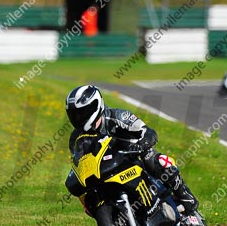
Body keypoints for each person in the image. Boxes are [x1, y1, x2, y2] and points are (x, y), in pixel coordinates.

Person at [64, 84, 198, 216]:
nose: (78, 118)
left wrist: (141, 145)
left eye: (82, 113)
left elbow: (149, 133)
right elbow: (79, 163)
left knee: (155, 159)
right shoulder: (75, 138)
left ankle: (186, 196)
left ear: (95, 106)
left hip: (133, 158)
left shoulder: (118, 116)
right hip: (107, 170)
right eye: (74, 114)